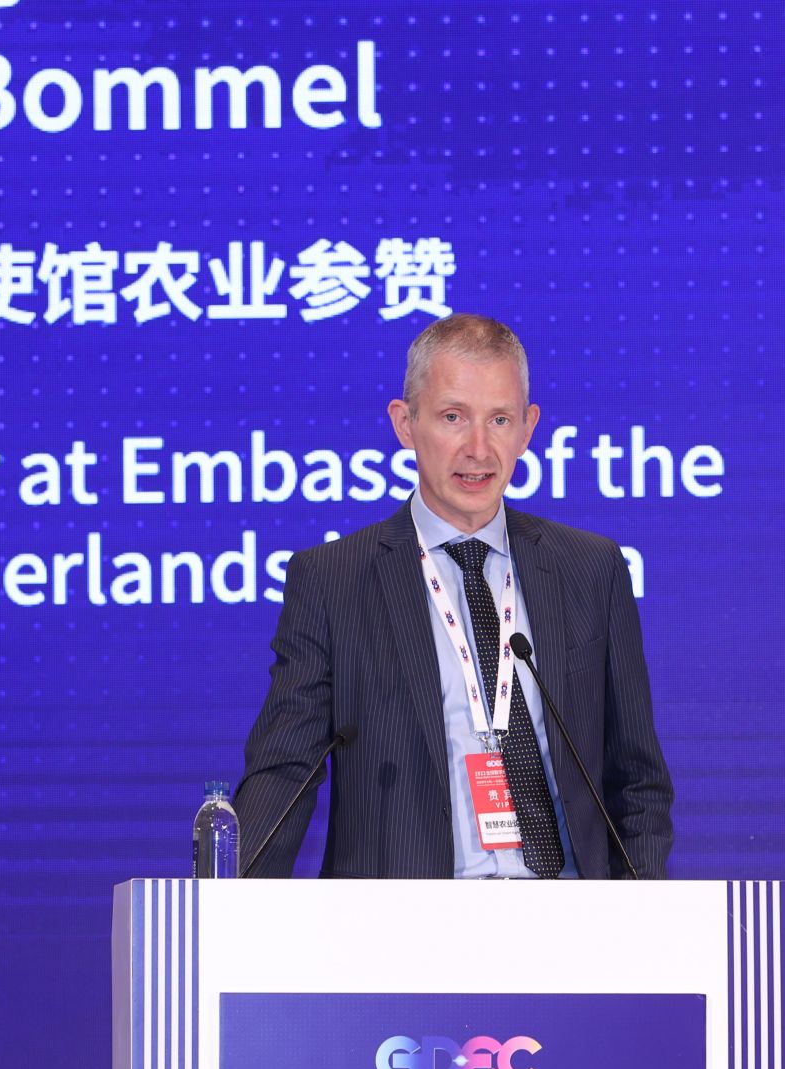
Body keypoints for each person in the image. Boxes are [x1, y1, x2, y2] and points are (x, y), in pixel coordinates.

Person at [234, 313, 672, 879]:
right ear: (405, 422)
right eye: (452, 417)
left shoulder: (590, 569)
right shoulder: (334, 580)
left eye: (500, 419)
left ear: (528, 428)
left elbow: (637, 779)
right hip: (407, 918)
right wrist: (224, 907)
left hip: (567, 913)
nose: (479, 449)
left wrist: (638, 907)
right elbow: (285, 771)